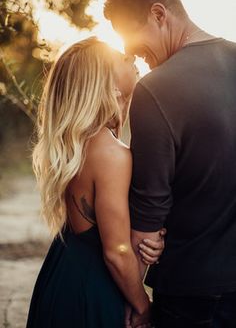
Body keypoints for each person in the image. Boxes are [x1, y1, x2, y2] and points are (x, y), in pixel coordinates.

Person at [104, 0, 236, 328]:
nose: (130, 53)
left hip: (192, 295)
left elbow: (147, 221)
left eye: (131, 40)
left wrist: (135, 302)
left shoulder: (154, 90)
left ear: (159, 14)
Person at [26, 37, 165, 328]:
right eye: (119, 57)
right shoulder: (112, 155)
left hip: (61, 275)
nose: (130, 57)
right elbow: (116, 252)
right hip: (92, 290)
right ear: (106, 83)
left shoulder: (78, 146)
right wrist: (142, 306)